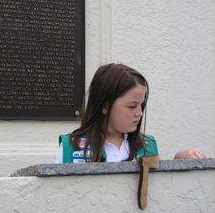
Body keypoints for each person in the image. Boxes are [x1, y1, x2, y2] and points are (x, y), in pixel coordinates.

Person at [55, 63, 206, 164]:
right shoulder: (71, 147)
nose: (139, 113)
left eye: (141, 105)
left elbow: (163, 185)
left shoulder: (146, 146)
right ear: (105, 106)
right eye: (132, 106)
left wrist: (178, 159)